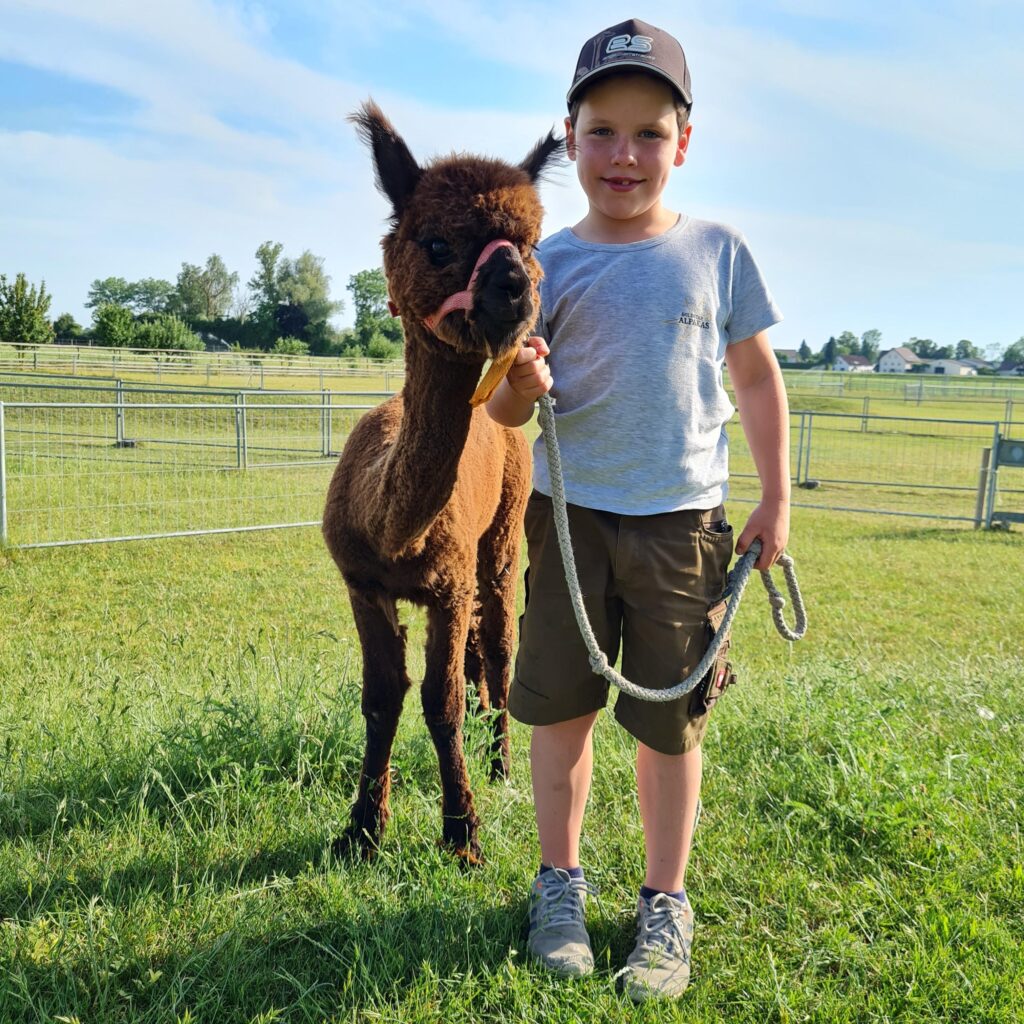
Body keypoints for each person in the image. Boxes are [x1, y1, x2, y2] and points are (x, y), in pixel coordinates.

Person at [486, 18, 791, 1001]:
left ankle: (666, 905)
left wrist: (774, 496)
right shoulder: (548, 265)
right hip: (567, 520)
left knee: (669, 724)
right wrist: (517, 393)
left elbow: (753, 379)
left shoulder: (717, 251)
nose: (625, 155)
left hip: (681, 526)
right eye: (603, 131)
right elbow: (499, 403)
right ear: (568, 138)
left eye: (649, 133)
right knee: (561, 710)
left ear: (683, 143)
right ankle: (559, 885)